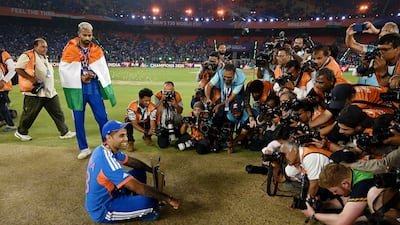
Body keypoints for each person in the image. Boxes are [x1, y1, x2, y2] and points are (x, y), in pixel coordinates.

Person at [85, 120, 180, 223]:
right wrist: (168, 199)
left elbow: (132, 162)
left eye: (126, 135)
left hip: (112, 192)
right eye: (121, 136)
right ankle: (143, 213)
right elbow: (137, 187)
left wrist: (152, 171)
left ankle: (133, 202)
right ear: (109, 138)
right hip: (104, 208)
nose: (126, 138)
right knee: (151, 201)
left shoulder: (104, 149)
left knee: (139, 171)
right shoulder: (107, 161)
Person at [59, 21, 116, 159]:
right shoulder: (70, 48)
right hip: (77, 88)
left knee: (102, 117)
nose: (88, 38)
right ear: (79, 34)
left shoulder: (96, 49)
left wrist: (93, 74)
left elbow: (102, 69)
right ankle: (84, 148)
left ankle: (107, 145)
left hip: (93, 87)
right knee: (78, 119)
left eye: (90, 35)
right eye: (85, 35)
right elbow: (64, 68)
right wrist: (79, 76)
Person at [14, 38, 75, 141]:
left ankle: (64, 132)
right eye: (42, 46)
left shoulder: (44, 57)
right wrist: (31, 78)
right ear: (35, 46)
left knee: (57, 112)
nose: (45, 49)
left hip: (49, 91)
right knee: (30, 114)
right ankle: (21, 132)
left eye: (46, 47)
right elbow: (18, 68)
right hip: (35, 92)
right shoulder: (27, 55)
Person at [302, 163, 375, 225]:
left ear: (345, 184)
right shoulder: (351, 173)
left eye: (335, 191)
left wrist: (313, 215)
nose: (334, 194)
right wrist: (322, 204)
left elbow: (342, 221)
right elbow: (347, 200)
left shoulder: (362, 185)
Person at [205, 63, 246, 153]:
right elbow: (209, 86)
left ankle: (231, 140)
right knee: (217, 114)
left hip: (236, 96)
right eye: (225, 77)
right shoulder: (220, 73)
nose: (226, 79)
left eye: (229, 77)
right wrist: (208, 99)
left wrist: (219, 105)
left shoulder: (241, 77)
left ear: (234, 74)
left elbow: (232, 97)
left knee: (233, 114)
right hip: (225, 95)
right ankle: (217, 139)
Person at [154, 81, 183, 148]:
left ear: (173, 90)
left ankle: (176, 134)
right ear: (163, 90)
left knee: (182, 140)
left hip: (176, 123)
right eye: (166, 91)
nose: (168, 94)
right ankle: (166, 136)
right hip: (163, 125)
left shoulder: (177, 95)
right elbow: (156, 112)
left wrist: (175, 105)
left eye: (170, 91)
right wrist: (162, 100)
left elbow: (180, 111)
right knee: (163, 145)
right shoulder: (158, 95)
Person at [0, 49, 17, 132]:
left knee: (2, 106)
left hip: (3, 86)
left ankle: (11, 125)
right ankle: (3, 120)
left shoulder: (3, 54)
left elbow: (12, 69)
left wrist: (4, 81)